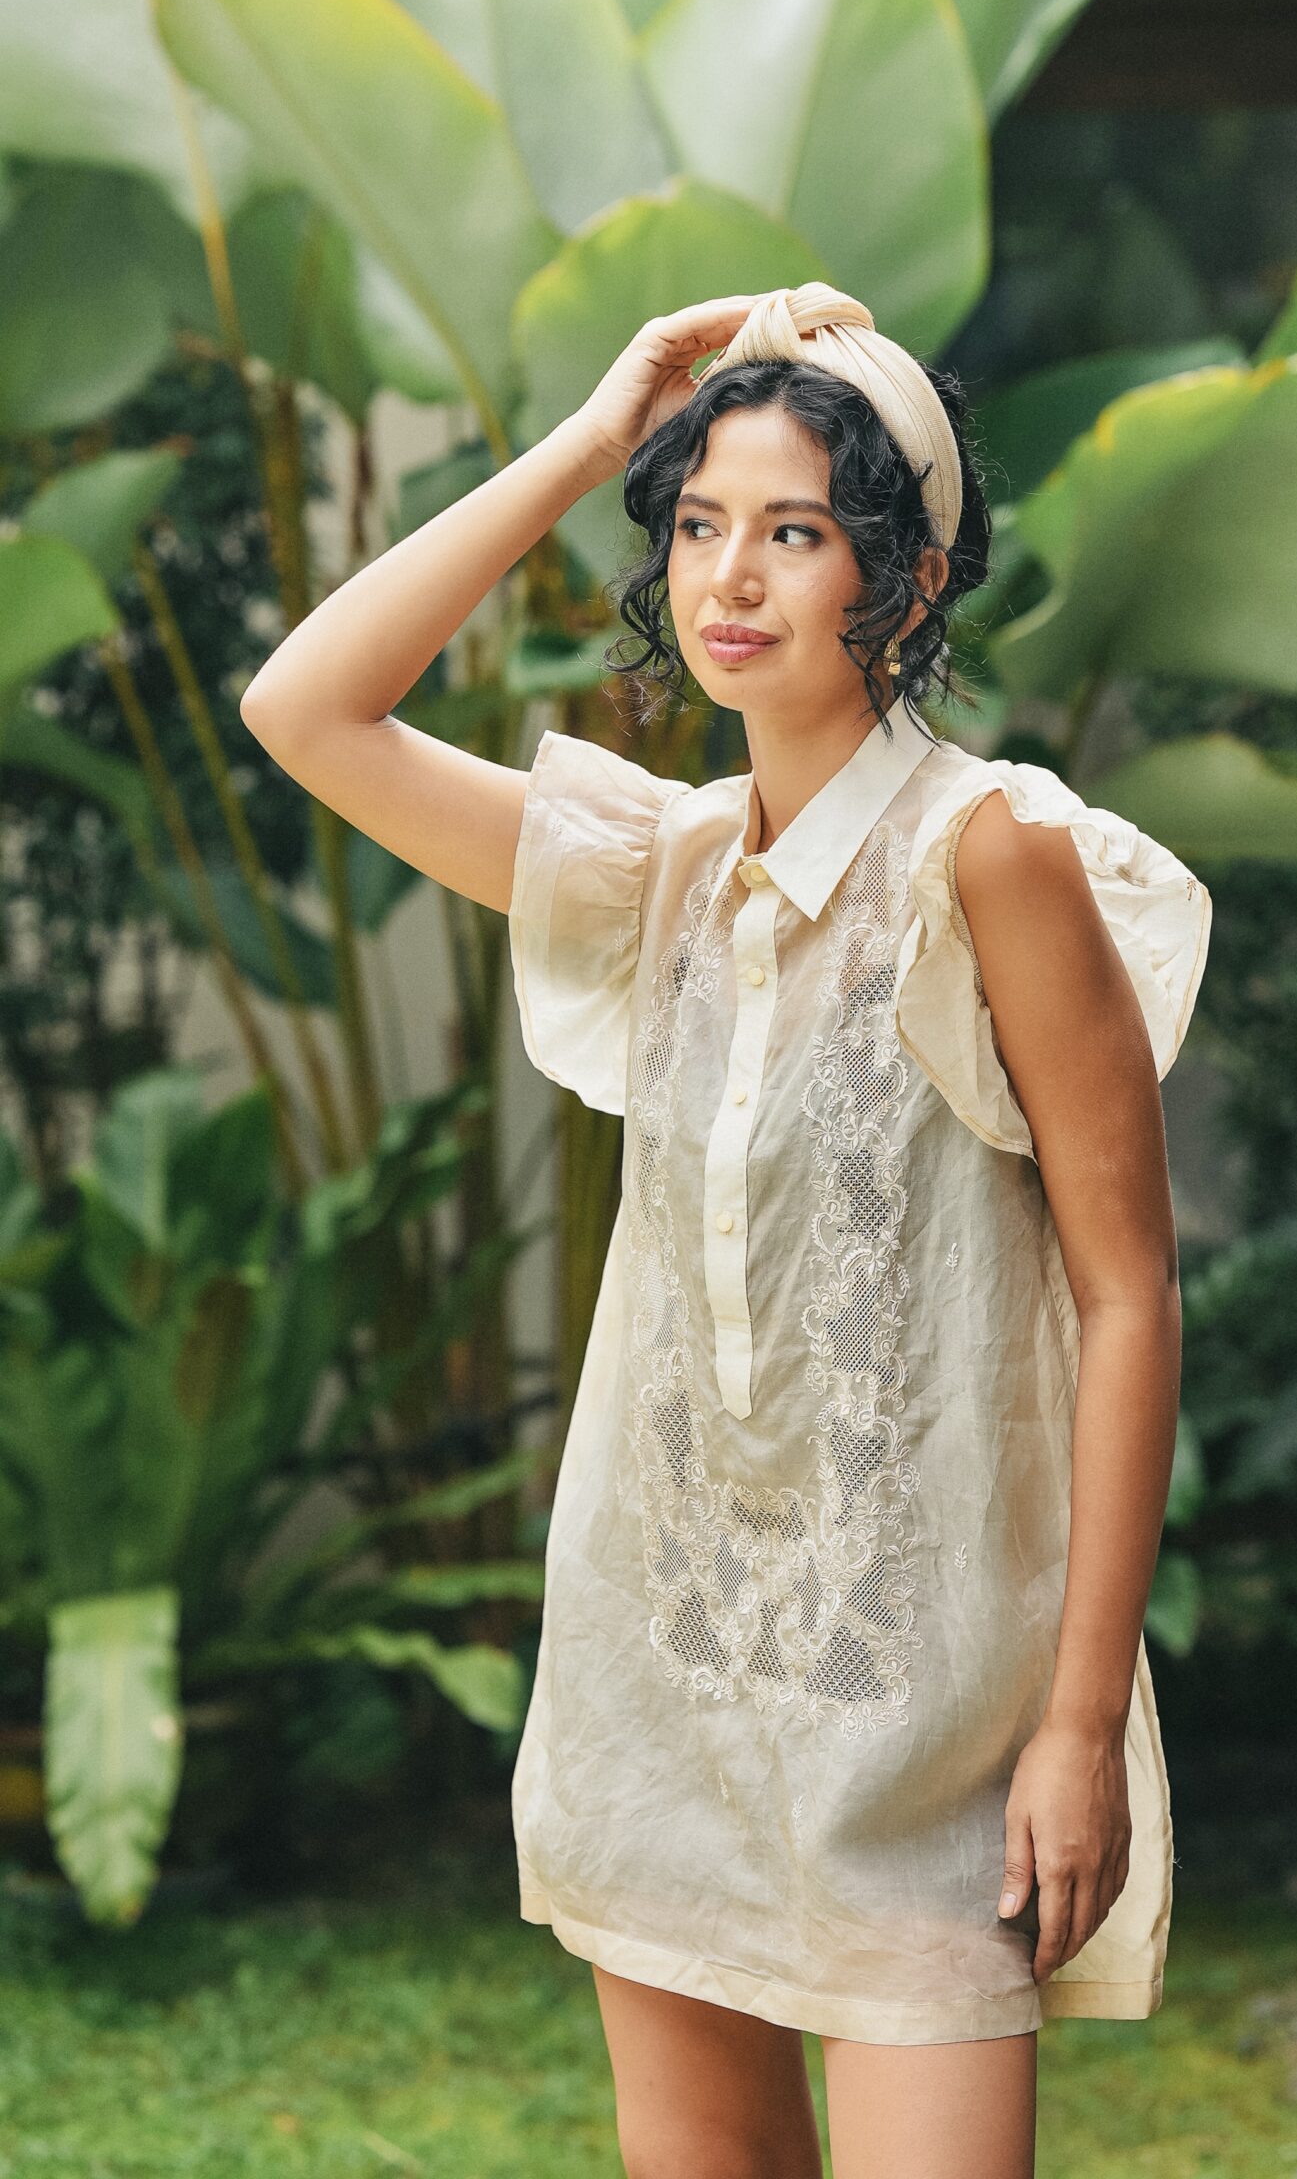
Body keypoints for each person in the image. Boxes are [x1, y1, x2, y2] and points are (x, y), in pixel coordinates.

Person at [240, 282, 1211, 2179]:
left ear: (908, 586)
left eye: (795, 531)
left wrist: (1079, 1724)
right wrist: (604, 432)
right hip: (658, 1684)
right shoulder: (650, 874)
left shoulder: (992, 855)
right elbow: (305, 707)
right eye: (697, 525)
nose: (729, 578)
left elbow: (1128, 1292)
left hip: (930, 1716)